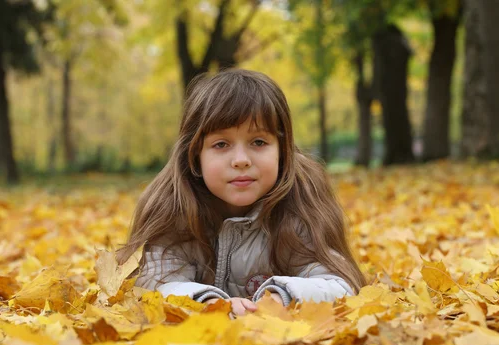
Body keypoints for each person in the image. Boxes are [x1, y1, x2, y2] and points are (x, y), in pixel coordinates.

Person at [117, 69, 368, 317]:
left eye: (258, 142)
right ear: (195, 153)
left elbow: (340, 284)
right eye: (221, 144)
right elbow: (152, 285)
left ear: (282, 149)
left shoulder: (303, 201)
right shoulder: (172, 206)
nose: (240, 160)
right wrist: (209, 304)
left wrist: (283, 297)